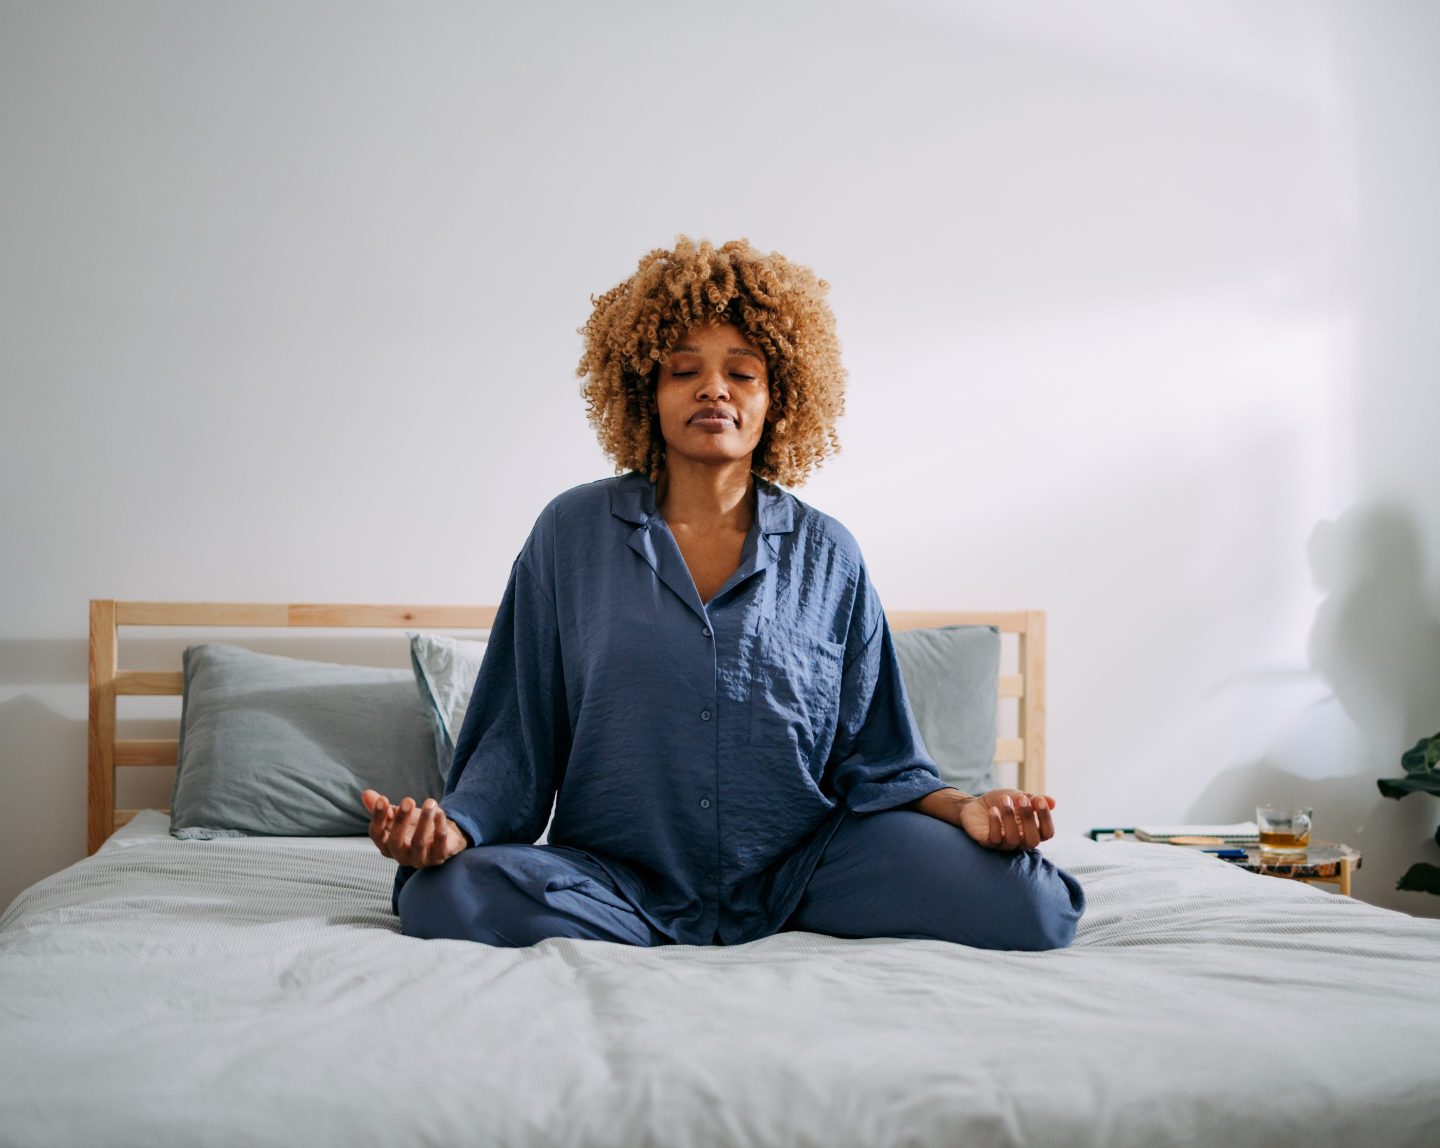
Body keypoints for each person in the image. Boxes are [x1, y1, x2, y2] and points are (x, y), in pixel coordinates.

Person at [363, 236, 1085, 950]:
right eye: (685, 371)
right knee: (442, 894)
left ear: (780, 397)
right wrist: (452, 828)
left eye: (743, 373)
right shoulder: (569, 535)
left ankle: (779, 916)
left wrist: (968, 810)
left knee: (1035, 905)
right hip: (618, 877)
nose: (715, 389)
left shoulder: (830, 553)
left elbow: (882, 758)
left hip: (806, 871)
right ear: (647, 388)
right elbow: (514, 743)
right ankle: (639, 921)